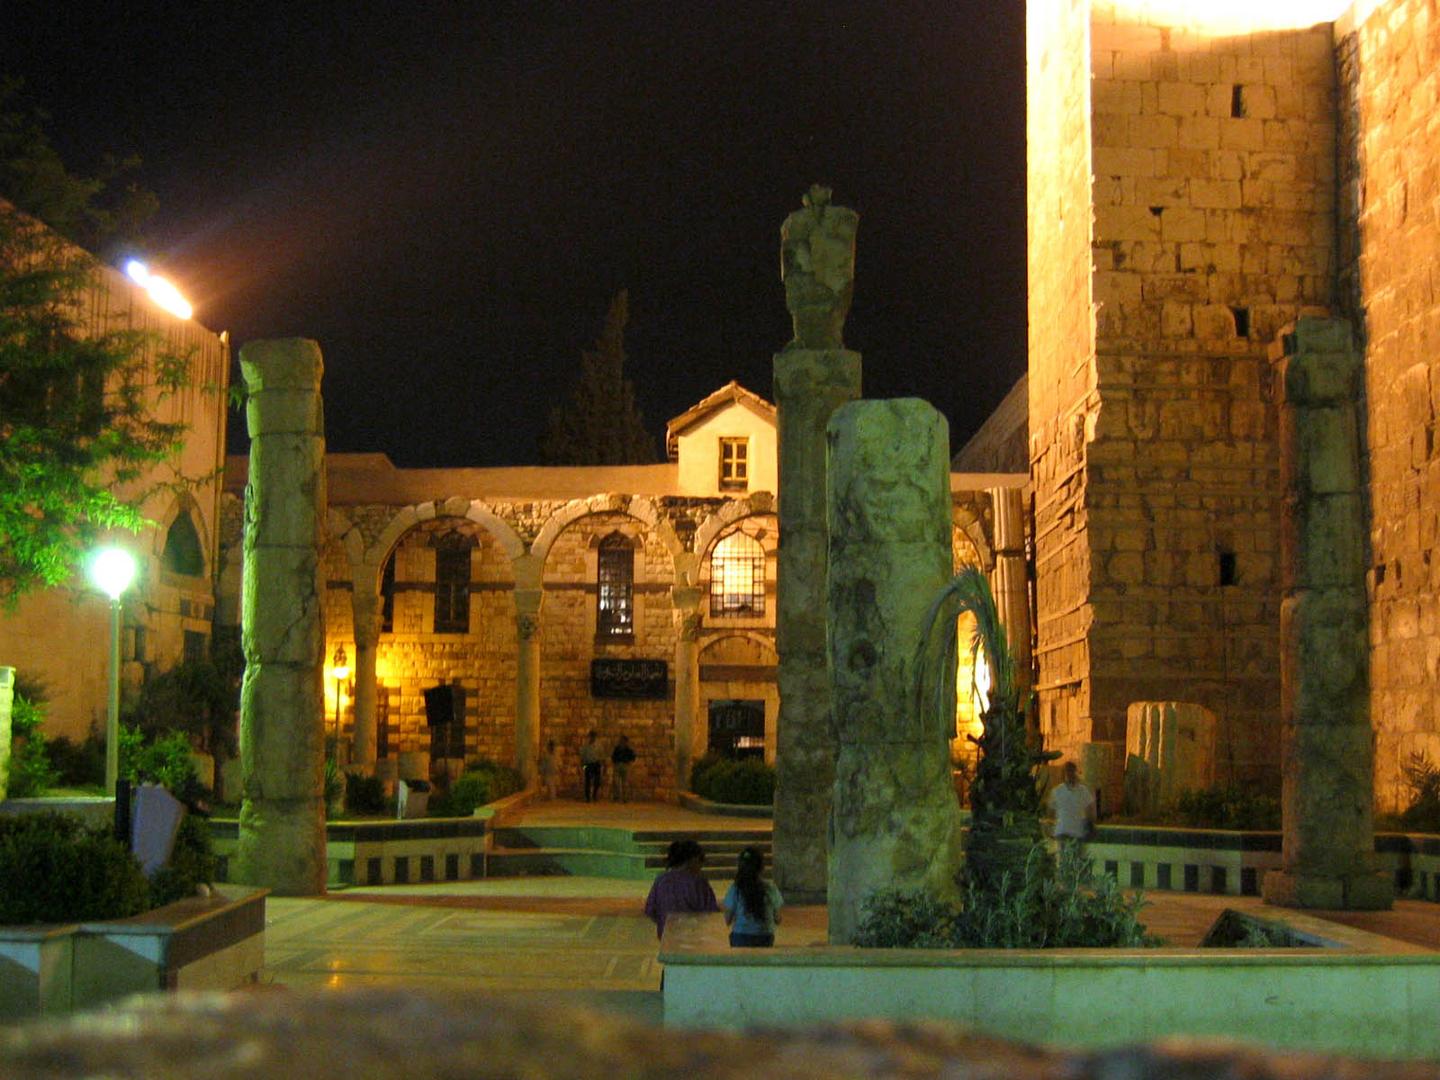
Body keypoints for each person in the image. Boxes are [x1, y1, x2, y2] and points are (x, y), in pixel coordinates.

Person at [643, 839, 718, 939]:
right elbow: (710, 911)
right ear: (693, 860)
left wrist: (664, 922)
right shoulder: (698, 882)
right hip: (692, 937)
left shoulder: (661, 880)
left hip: (667, 937)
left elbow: (650, 910)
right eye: (701, 860)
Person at [722, 846, 783, 948]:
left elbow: (727, 920)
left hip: (741, 937)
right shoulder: (770, 888)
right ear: (762, 868)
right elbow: (777, 919)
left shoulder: (736, 889)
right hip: (765, 938)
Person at [1048, 760, 1096, 848]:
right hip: (1067, 832)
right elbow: (1090, 812)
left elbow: (1050, 813)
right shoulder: (1058, 791)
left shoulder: (1081, 791)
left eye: (1071, 771)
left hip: (1073, 833)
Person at [610, 734, 637, 802]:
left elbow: (633, 757)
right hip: (618, 765)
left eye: (623, 740)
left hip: (625, 765)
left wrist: (629, 761)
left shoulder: (628, 749)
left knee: (625, 783)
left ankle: (625, 798)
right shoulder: (617, 748)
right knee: (616, 782)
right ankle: (616, 797)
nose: (621, 742)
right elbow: (613, 756)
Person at [579, 730, 603, 802]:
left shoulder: (598, 745)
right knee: (587, 781)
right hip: (588, 764)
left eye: (593, 736)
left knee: (597, 781)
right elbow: (582, 756)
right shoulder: (586, 745)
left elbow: (601, 755)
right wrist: (583, 767)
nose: (592, 738)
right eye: (591, 736)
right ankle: (588, 797)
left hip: (596, 764)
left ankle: (594, 795)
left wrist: (601, 765)